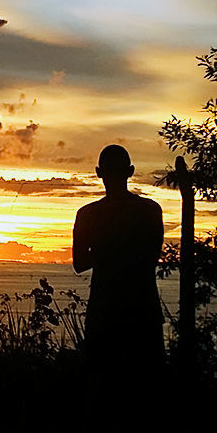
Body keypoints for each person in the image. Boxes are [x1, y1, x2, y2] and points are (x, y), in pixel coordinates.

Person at [73, 144, 165, 381]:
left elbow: (80, 262)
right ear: (131, 171)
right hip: (143, 308)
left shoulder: (88, 215)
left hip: (105, 310)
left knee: (103, 386)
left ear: (98, 172)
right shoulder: (150, 211)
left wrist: (105, 249)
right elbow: (152, 257)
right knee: (147, 386)